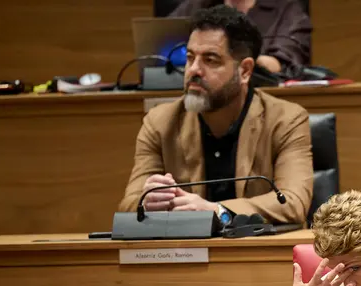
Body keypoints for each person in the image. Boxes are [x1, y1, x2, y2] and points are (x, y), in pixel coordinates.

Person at [120, 5, 313, 224]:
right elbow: (128, 206)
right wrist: (146, 203)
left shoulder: (286, 119)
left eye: (210, 60)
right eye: (190, 58)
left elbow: (293, 202)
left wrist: (217, 210)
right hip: (186, 254)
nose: (194, 70)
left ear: (245, 71)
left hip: (256, 253)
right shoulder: (159, 122)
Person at [170, 0, 312, 75]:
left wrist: (226, 60)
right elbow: (159, 49)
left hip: (264, 99)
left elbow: (282, 65)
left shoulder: (287, 9)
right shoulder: (199, 5)